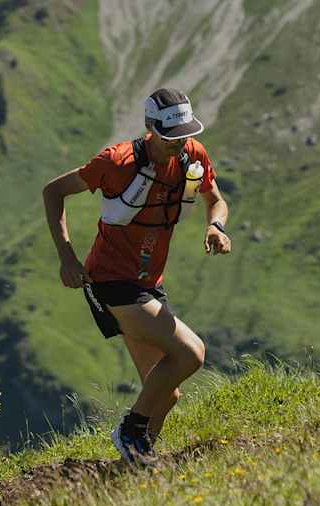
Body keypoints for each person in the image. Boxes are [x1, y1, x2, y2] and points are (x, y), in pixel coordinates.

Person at [42, 88, 232, 467]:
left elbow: (215, 198)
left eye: (184, 135)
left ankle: (137, 462)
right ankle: (130, 430)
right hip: (109, 281)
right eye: (169, 137)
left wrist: (216, 227)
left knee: (167, 392)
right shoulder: (116, 162)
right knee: (192, 353)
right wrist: (67, 257)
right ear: (150, 127)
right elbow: (53, 192)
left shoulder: (193, 155)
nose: (178, 145)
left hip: (148, 283)